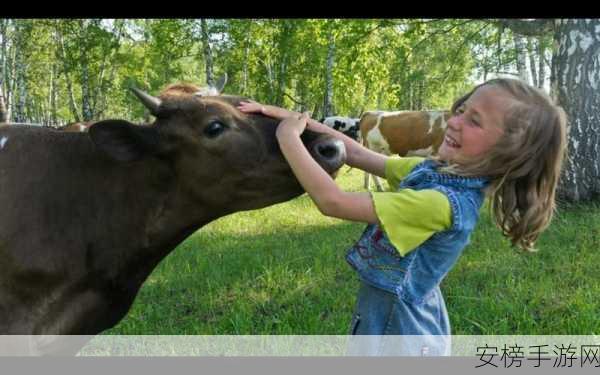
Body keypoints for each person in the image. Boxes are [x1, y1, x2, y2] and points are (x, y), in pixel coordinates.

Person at [237, 78, 568, 355]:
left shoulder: (439, 202)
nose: (454, 121)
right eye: (462, 110)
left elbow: (333, 201)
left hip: (401, 331)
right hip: (388, 313)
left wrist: (288, 139)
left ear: (506, 151)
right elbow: (355, 152)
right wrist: (284, 117)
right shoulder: (432, 172)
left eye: (475, 121)